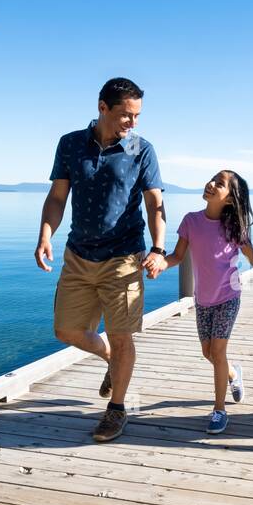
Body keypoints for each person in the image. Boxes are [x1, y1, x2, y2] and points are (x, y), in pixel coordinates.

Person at [34, 77, 167, 442]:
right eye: (126, 115)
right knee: (66, 330)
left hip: (124, 258)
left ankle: (116, 410)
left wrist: (157, 248)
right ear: (102, 107)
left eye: (137, 115)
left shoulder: (142, 149)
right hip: (78, 254)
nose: (132, 123)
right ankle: (111, 359)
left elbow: (155, 203)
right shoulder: (71, 144)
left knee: (123, 337)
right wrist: (46, 233)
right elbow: (58, 197)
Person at [160, 170, 253, 433]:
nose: (210, 184)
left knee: (218, 352)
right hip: (203, 300)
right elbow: (176, 255)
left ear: (230, 199)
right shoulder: (190, 221)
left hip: (228, 298)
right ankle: (233, 374)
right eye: (212, 179)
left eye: (219, 184)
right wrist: (159, 263)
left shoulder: (234, 228)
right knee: (208, 353)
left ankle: (219, 410)